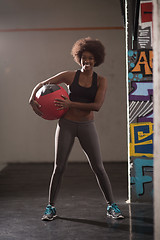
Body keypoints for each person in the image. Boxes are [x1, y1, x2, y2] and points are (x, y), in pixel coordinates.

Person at [29, 37, 124, 220]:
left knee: (98, 167)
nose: (86, 61)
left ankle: (112, 206)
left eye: (90, 58)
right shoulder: (70, 76)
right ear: (78, 58)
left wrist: (70, 103)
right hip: (66, 125)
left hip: (87, 126)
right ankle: (50, 207)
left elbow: (96, 106)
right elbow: (42, 84)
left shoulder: (101, 81)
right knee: (59, 167)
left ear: (96, 60)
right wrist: (31, 98)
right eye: (83, 58)